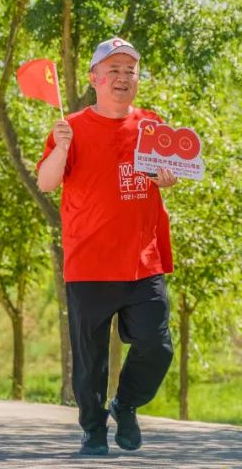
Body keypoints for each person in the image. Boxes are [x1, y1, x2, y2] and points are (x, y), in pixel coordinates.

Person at [37, 37, 178, 456]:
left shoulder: (152, 124)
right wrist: (62, 147)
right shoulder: (71, 126)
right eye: (113, 70)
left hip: (143, 261)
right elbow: (46, 182)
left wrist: (169, 177)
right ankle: (93, 431)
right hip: (89, 263)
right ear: (94, 78)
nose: (122, 78)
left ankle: (126, 404)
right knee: (90, 359)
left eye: (130, 71)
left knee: (157, 346)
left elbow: (169, 170)